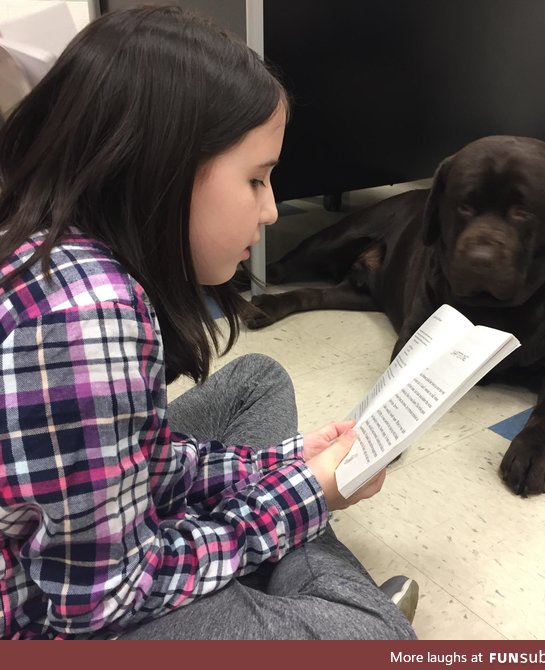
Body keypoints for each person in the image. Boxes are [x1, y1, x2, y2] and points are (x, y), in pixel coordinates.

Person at [0, 5, 418, 640]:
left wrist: (279, 466)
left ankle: (289, 574)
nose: (273, 210)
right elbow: (103, 601)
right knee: (374, 637)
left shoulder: (53, 241)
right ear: (161, 169)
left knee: (258, 380)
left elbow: (141, 457)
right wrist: (305, 497)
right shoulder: (87, 321)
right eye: (256, 179)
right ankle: (341, 601)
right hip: (47, 613)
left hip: (77, 533)